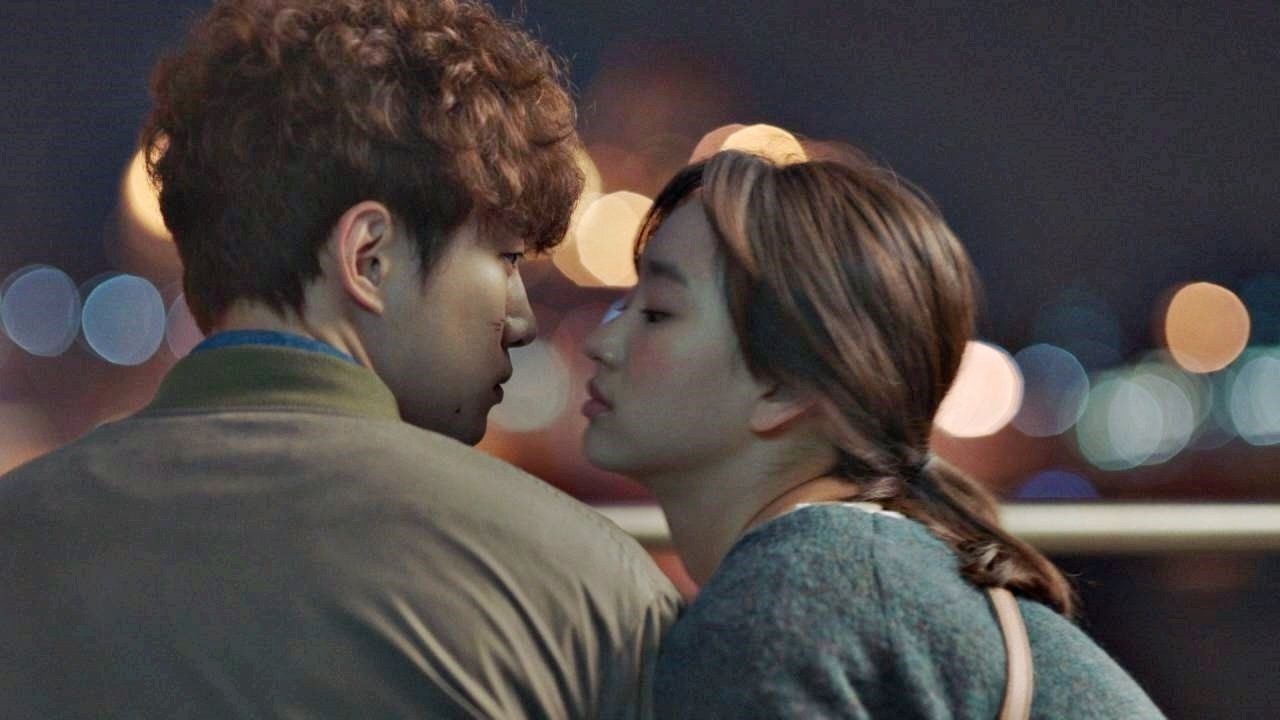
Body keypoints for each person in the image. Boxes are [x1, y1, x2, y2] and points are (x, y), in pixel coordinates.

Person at [0, 1, 680, 717]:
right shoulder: (585, 588)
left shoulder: (19, 535)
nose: (519, 319)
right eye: (505, 258)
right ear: (369, 257)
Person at [582, 146, 1165, 718]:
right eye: (623, 306)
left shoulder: (782, 608)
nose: (601, 343)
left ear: (785, 385)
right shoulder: (857, 571)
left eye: (656, 313)